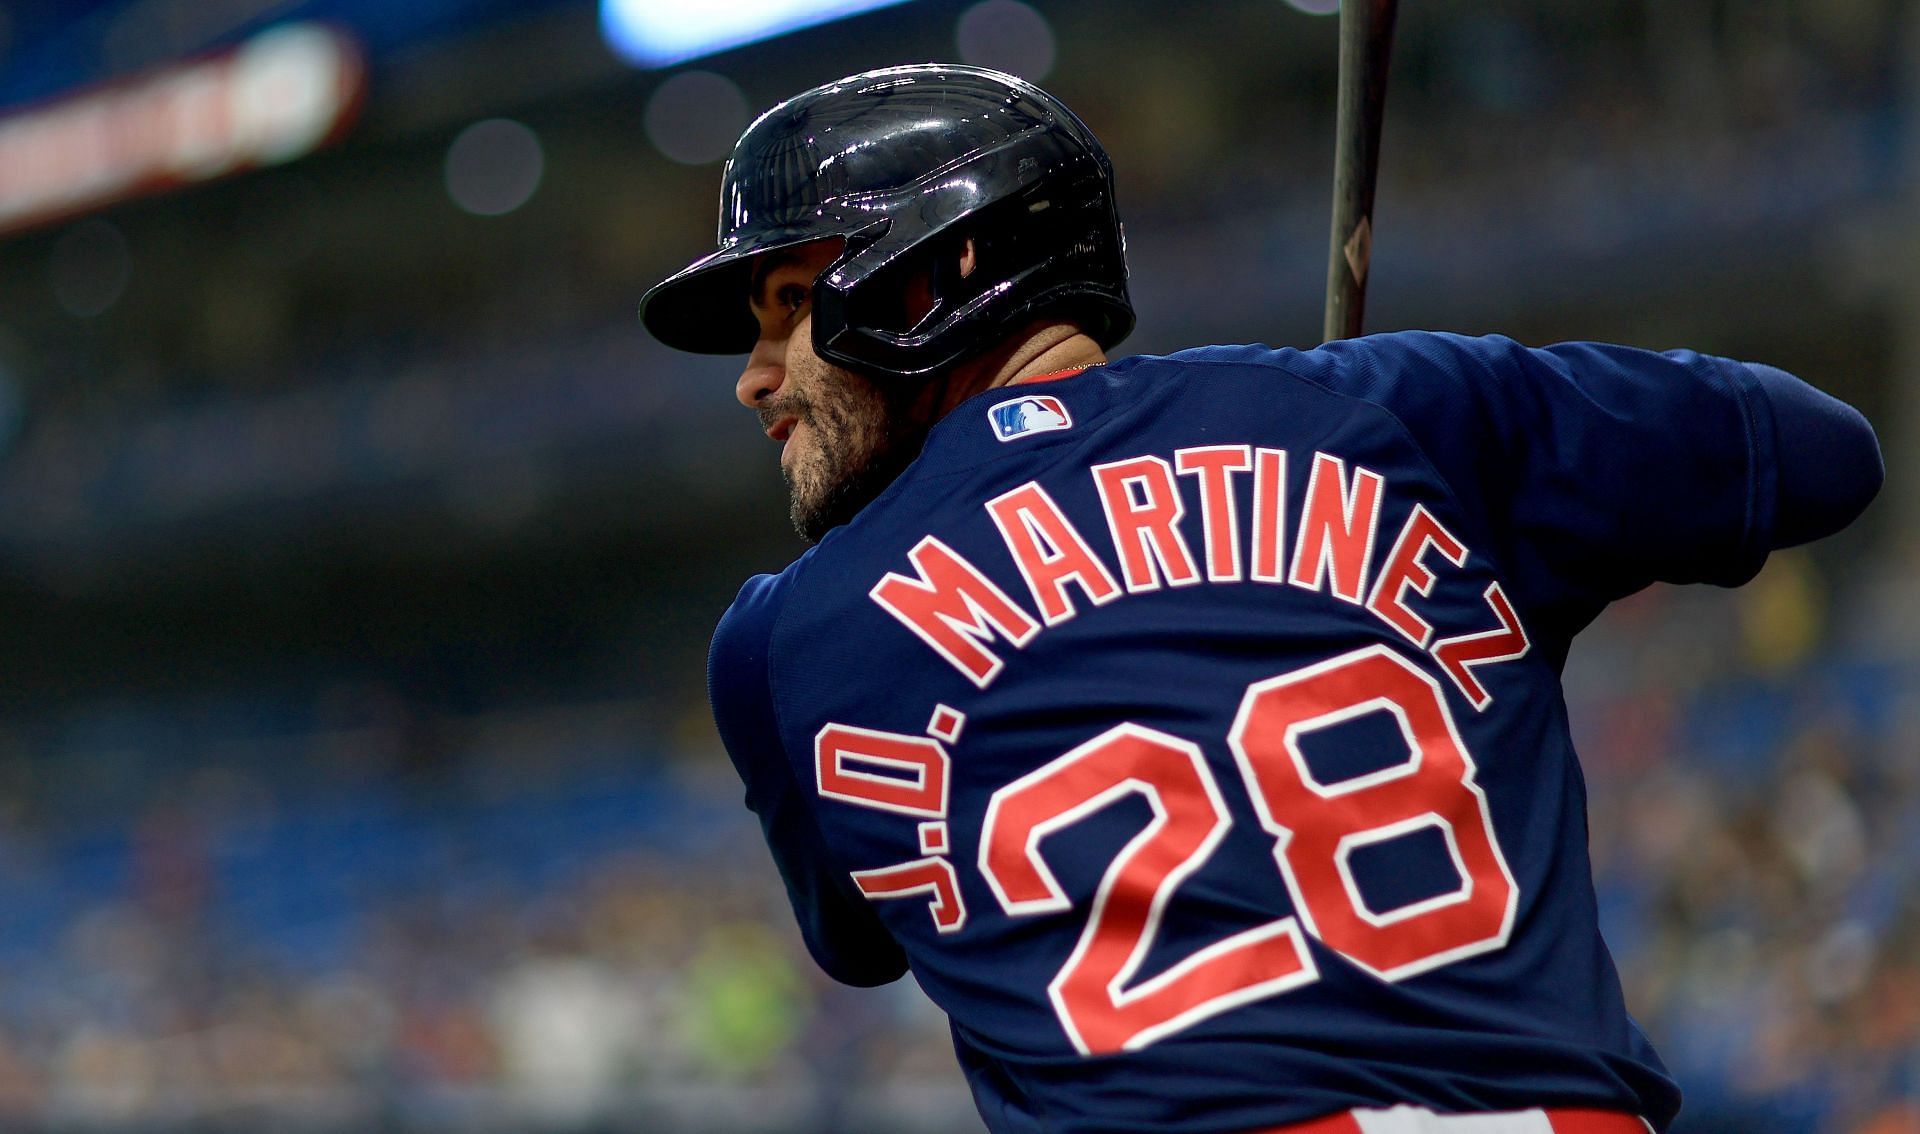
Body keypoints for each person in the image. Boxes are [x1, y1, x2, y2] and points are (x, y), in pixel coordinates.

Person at [638, 64, 1883, 1134]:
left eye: (790, 307)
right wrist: (1445, 456)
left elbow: (860, 948)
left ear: (940, 269)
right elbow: (1822, 455)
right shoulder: (1398, 415)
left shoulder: (780, 646)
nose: (754, 380)